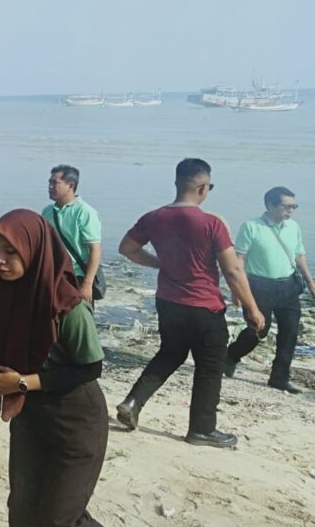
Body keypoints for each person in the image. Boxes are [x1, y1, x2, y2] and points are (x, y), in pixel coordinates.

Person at [0, 209, 146, 527]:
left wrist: (23, 383)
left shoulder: (68, 305)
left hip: (76, 421)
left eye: (10, 251)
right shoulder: (1, 290)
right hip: (30, 419)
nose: (0, 260)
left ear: (34, 249)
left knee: (60, 515)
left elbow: (89, 369)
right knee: (22, 505)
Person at [115, 158, 265, 448]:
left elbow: (127, 249)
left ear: (176, 183)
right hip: (203, 306)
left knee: (169, 354)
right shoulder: (212, 223)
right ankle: (202, 429)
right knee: (210, 366)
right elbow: (233, 270)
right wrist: (252, 308)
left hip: (169, 303)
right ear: (202, 187)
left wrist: (160, 263)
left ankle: (133, 402)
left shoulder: (153, 217)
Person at [225, 187, 313, 394]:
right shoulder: (251, 227)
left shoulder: (293, 227)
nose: (290, 211)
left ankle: (279, 378)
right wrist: (235, 289)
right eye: (286, 206)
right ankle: (231, 355)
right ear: (270, 205)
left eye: (294, 206)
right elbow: (239, 259)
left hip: (288, 286)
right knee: (259, 330)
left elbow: (299, 255)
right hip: (258, 286)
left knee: (290, 333)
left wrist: (310, 282)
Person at [42, 165, 102, 304]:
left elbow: (95, 249)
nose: (50, 187)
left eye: (55, 183)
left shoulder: (85, 212)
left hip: (77, 276)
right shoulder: (48, 211)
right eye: (49, 182)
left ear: (70, 185)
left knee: (78, 321)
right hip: (54, 275)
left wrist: (87, 284)